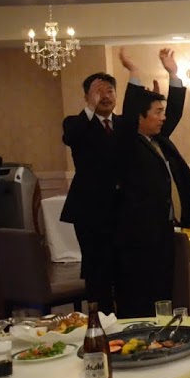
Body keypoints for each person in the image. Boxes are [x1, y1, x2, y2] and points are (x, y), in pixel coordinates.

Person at [112, 48, 190, 317]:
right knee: (140, 296)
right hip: (139, 236)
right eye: (157, 112)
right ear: (140, 117)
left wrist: (173, 74)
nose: (163, 117)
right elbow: (130, 112)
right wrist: (134, 73)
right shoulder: (128, 141)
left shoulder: (158, 139)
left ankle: (163, 330)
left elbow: (174, 113)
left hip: (162, 231)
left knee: (163, 292)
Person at [61, 71, 121, 312]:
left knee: (124, 267)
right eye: (98, 92)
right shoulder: (76, 123)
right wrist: (90, 109)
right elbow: (70, 138)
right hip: (90, 210)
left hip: (123, 208)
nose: (105, 97)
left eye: (109, 91)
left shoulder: (124, 124)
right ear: (87, 97)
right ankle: (99, 320)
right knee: (97, 269)